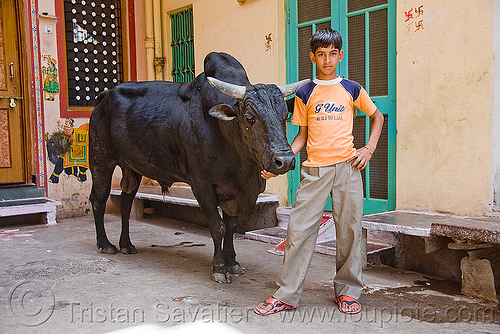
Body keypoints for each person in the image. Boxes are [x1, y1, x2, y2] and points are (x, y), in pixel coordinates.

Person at [254, 28, 384, 315]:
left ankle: (348, 292)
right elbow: (302, 135)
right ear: (313, 57)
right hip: (315, 172)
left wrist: (368, 149)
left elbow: (377, 116)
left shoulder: (352, 89)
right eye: (321, 55)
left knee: (349, 231)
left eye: (332, 54)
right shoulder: (305, 92)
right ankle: (287, 294)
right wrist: (282, 163)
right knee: (298, 230)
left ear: (340, 55)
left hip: (348, 169)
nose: (327, 60)